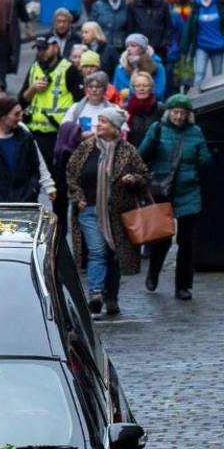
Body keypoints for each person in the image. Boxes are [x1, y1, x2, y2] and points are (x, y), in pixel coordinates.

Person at [69, 109, 150, 318]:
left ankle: (111, 297)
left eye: (104, 122)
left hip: (117, 213)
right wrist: (77, 197)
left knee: (113, 254)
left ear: (114, 127)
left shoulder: (128, 151)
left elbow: (144, 175)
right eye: (99, 121)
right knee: (97, 251)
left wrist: (133, 179)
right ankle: (95, 293)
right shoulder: (86, 148)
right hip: (89, 209)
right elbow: (71, 174)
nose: (99, 125)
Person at [136, 96, 209, 300]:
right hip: (162, 190)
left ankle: (183, 286)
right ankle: (153, 272)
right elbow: (142, 154)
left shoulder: (195, 133)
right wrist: (152, 140)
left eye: (183, 113)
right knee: (162, 238)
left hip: (189, 191)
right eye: (176, 112)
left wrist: (200, 159)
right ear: (169, 112)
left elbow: (205, 159)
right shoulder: (158, 129)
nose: (179, 116)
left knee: (187, 242)